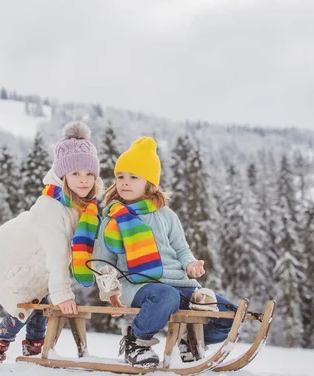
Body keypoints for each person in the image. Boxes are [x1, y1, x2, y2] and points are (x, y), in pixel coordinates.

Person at [92, 136, 234, 368]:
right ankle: (136, 342)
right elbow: (101, 261)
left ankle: (190, 341)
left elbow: (181, 248)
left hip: (180, 284)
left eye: (133, 177)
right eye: (120, 177)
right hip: (138, 284)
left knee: (228, 312)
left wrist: (190, 264)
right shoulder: (113, 219)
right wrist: (111, 290)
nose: (124, 182)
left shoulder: (166, 215)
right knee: (166, 295)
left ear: (150, 183)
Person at [0, 121, 102, 367]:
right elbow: (56, 252)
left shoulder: (83, 207)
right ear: (62, 175)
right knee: (24, 306)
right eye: (75, 173)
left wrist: (111, 288)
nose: (84, 180)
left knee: (40, 303)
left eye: (89, 174)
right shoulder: (51, 206)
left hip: (40, 267)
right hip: (15, 262)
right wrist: (63, 293)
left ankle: (34, 353)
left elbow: (93, 249)